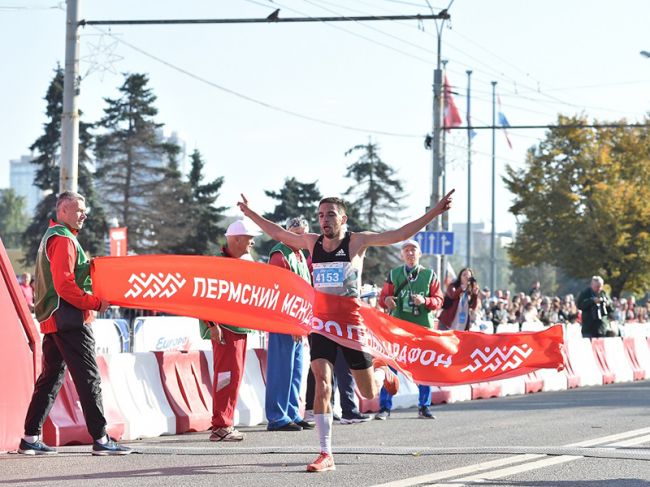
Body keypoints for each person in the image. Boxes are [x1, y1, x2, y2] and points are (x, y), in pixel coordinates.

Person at [237, 190, 454, 472]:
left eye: (329, 215)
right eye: (320, 215)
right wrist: (250, 213)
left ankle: (381, 370)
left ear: (343, 218)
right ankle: (325, 453)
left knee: (367, 393)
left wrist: (434, 212)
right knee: (322, 382)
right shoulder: (311, 242)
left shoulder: (357, 242)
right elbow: (278, 233)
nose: (323, 220)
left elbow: (399, 233)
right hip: (321, 324)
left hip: (351, 325)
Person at [18, 191, 131, 456]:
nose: (84, 214)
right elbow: (65, 284)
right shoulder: (64, 240)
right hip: (70, 318)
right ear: (64, 210)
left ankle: (30, 437)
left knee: (51, 378)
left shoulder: (52, 236)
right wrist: (94, 302)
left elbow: (60, 283)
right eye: (79, 209)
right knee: (88, 377)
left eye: (84, 209)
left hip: (54, 319)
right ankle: (101, 439)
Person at [199, 219, 260, 442]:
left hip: (240, 328)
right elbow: (203, 297)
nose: (252, 242)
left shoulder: (245, 262)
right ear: (236, 239)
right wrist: (212, 325)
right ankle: (221, 425)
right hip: (224, 330)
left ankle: (225, 423)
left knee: (234, 377)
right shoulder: (218, 265)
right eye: (249, 238)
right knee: (226, 376)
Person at [376, 239, 443, 420]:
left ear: (419, 254)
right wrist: (387, 300)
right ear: (402, 254)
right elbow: (383, 298)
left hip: (422, 329)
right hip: (398, 329)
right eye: (406, 250)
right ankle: (384, 407)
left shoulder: (429, 275)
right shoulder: (394, 274)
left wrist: (426, 301)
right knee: (392, 367)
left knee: (423, 368)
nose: (410, 253)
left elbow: (439, 300)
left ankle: (424, 406)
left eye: (413, 250)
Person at [265, 217, 314, 432]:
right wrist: (291, 323)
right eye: (295, 233)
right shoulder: (280, 254)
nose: (300, 237)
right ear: (286, 232)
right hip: (284, 321)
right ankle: (277, 417)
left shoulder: (300, 255)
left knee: (296, 371)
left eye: (303, 233)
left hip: (299, 321)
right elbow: (280, 292)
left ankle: (292, 412)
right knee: (281, 370)